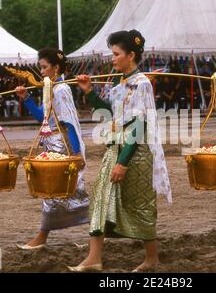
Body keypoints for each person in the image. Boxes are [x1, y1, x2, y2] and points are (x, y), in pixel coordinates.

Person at [69, 30, 172, 272]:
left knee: (140, 203)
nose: (112, 59)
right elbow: (110, 112)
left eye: (116, 54)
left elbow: (139, 124)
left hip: (135, 153)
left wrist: (123, 162)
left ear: (131, 56)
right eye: (112, 54)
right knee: (101, 199)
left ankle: (151, 258)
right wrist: (88, 91)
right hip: (114, 147)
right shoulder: (118, 81)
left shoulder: (142, 84)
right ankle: (94, 258)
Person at [15, 48, 89, 249]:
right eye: (40, 67)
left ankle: (42, 236)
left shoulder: (62, 89)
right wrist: (27, 97)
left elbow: (69, 122)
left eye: (45, 67)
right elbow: (43, 118)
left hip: (62, 146)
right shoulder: (51, 88)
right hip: (52, 144)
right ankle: (98, 232)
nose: (42, 71)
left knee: (54, 191)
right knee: (63, 192)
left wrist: (75, 152)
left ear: (56, 67)